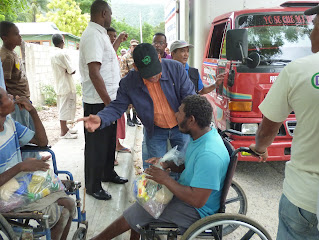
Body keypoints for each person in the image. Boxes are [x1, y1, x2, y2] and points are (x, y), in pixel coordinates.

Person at [88, 95, 230, 240]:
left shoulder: (209, 154)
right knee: (143, 201)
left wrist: (166, 180)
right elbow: (190, 166)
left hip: (197, 212)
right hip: (189, 197)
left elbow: (197, 200)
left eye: (179, 112)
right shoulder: (202, 136)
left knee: (141, 209)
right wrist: (167, 163)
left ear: (192, 120)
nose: (175, 115)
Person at [249, 5, 319, 240]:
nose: (310, 34)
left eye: (313, 26)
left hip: (305, 198)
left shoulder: (299, 70)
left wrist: (260, 148)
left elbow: (268, 127)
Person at [78, 43, 196, 172]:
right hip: (155, 129)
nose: (153, 77)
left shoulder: (176, 68)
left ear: (159, 58)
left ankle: (178, 191)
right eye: (148, 73)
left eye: (155, 71)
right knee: (157, 169)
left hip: (181, 127)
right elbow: (117, 106)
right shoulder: (129, 82)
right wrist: (101, 119)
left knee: (182, 165)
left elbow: (190, 97)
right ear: (136, 67)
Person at [0, 87, 75, 240]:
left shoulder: (9, 122)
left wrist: (33, 111)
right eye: (7, 96)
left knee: (70, 204)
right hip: (6, 196)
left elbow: (42, 141)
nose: (12, 95)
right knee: (63, 211)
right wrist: (21, 166)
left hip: (20, 183)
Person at [79, 0, 128, 201]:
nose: (111, 17)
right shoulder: (92, 35)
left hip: (108, 100)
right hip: (98, 102)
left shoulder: (101, 34)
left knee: (108, 141)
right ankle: (92, 185)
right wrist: (109, 104)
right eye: (110, 14)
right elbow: (94, 72)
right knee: (96, 145)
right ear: (103, 13)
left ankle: (108, 173)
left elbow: (107, 61)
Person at [0, 21, 38, 160]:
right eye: (15, 34)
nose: (19, 36)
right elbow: (4, 84)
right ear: (4, 38)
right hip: (17, 103)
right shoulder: (6, 57)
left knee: (29, 128)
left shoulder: (13, 53)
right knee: (24, 133)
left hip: (23, 99)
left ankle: (34, 156)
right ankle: (28, 159)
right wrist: (13, 101)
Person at [106, 27, 131, 159]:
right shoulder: (105, 51)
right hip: (107, 94)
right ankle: (110, 154)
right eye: (110, 35)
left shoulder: (114, 53)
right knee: (110, 124)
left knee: (119, 120)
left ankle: (117, 144)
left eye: (114, 36)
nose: (113, 38)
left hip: (116, 91)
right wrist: (119, 40)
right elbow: (110, 53)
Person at [51, 33, 78, 139]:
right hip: (66, 84)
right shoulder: (62, 54)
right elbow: (72, 70)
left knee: (63, 106)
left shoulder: (52, 53)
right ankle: (63, 131)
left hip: (59, 83)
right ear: (62, 41)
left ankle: (66, 128)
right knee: (64, 108)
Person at [120, 39, 141, 127]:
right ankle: (128, 118)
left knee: (136, 101)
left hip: (138, 83)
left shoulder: (140, 57)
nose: (135, 48)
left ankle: (135, 118)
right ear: (130, 47)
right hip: (129, 83)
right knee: (128, 102)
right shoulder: (125, 57)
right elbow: (123, 72)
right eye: (133, 46)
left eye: (136, 46)